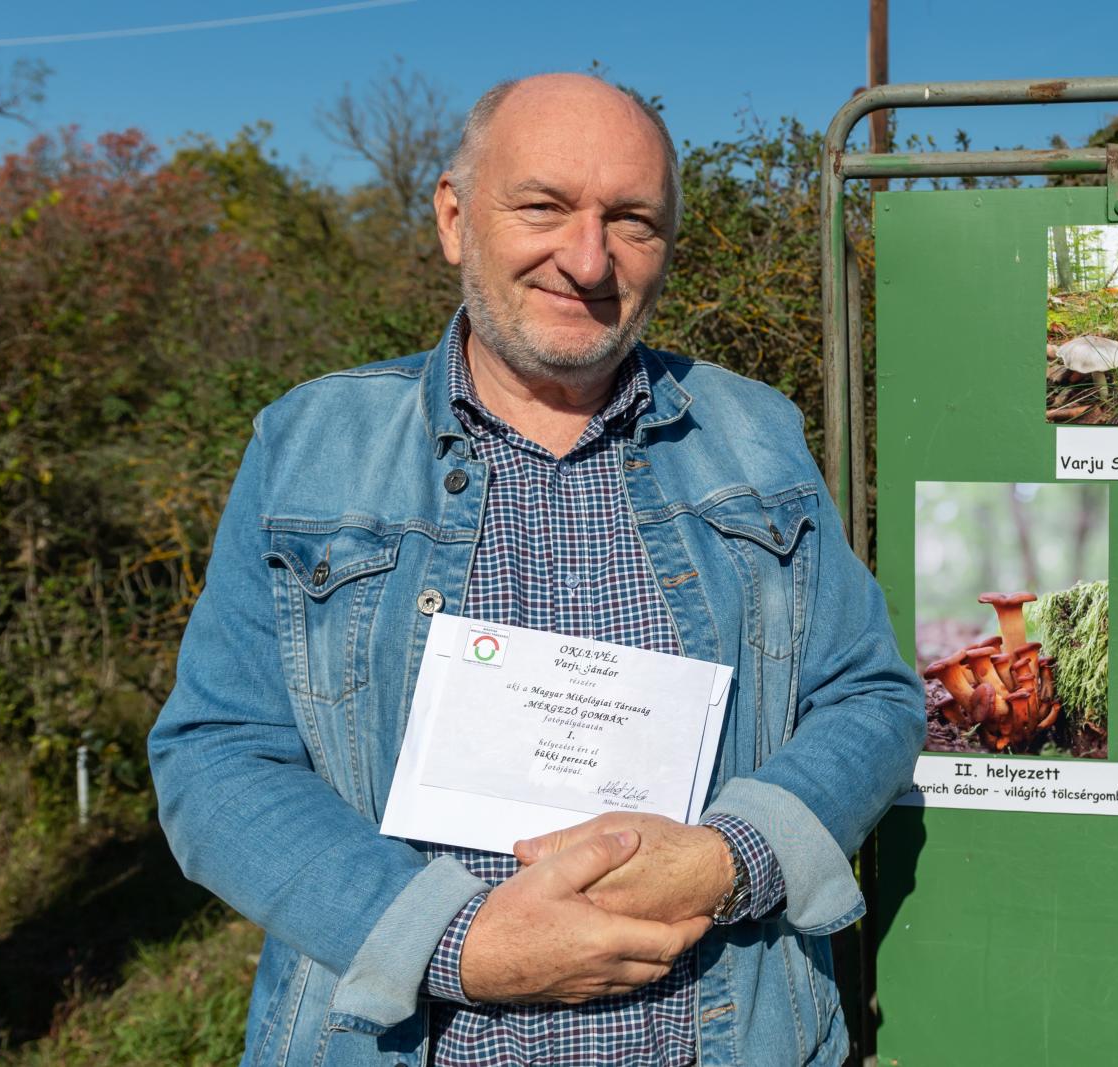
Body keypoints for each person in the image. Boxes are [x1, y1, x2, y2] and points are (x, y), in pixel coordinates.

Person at [149, 72, 923, 1067]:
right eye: (544, 207)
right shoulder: (310, 447)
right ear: (454, 217)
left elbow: (871, 697)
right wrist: (453, 940)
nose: (588, 256)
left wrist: (734, 855)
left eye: (631, 220)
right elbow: (215, 755)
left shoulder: (755, 435)